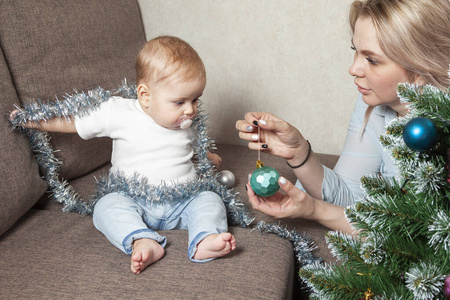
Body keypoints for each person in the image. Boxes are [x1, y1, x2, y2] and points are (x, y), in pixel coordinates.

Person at [11, 36, 235, 274]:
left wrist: (208, 157)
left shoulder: (186, 122)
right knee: (106, 207)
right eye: (179, 101)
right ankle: (141, 239)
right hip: (134, 200)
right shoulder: (118, 112)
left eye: (195, 99)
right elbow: (75, 120)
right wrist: (34, 120)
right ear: (145, 95)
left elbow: (191, 147)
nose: (190, 110)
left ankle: (205, 239)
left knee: (210, 200)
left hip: (183, 202)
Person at [236, 0, 450, 235]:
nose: (353, 68)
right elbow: (350, 200)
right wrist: (298, 153)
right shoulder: (374, 106)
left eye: (372, 59)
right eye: (355, 52)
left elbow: (412, 241)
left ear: (421, 68)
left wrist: (316, 210)